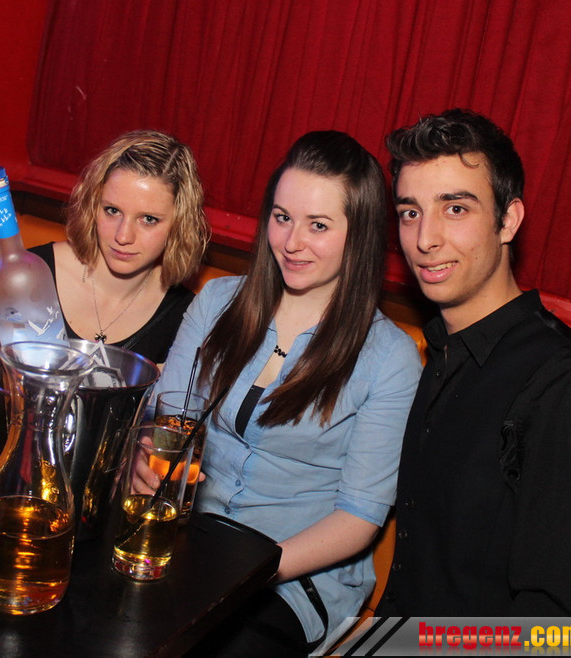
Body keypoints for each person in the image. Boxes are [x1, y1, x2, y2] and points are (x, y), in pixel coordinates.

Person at [154, 131, 421, 654]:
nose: (292, 242)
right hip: (185, 543)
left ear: (360, 235)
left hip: (290, 579)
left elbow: (358, 519)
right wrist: (151, 465)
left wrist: (247, 572)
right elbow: (168, 421)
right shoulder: (217, 302)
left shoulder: (388, 358)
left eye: (318, 225)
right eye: (282, 217)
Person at [379, 108, 571, 616]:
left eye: (455, 208)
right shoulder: (445, 350)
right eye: (410, 212)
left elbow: (556, 627)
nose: (425, 239)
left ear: (509, 220)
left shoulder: (570, 386)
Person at [0, 129, 209, 423]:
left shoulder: (187, 316)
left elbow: (164, 424)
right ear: (93, 205)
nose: (123, 235)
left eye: (149, 219)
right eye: (111, 210)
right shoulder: (26, 276)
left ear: (179, 224)